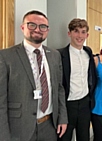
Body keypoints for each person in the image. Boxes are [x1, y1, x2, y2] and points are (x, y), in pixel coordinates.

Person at [0, 10, 68, 141]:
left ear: (47, 30)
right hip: (19, 128)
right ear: (23, 27)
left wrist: (62, 118)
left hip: (49, 125)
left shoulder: (54, 55)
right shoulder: (6, 56)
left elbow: (59, 89)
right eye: (32, 25)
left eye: (43, 26)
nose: (38, 29)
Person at [58, 18, 97, 141]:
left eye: (83, 32)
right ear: (69, 33)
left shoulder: (88, 52)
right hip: (68, 105)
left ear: (87, 35)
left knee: (84, 137)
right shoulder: (60, 55)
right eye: (76, 31)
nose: (80, 36)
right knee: (64, 138)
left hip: (85, 104)